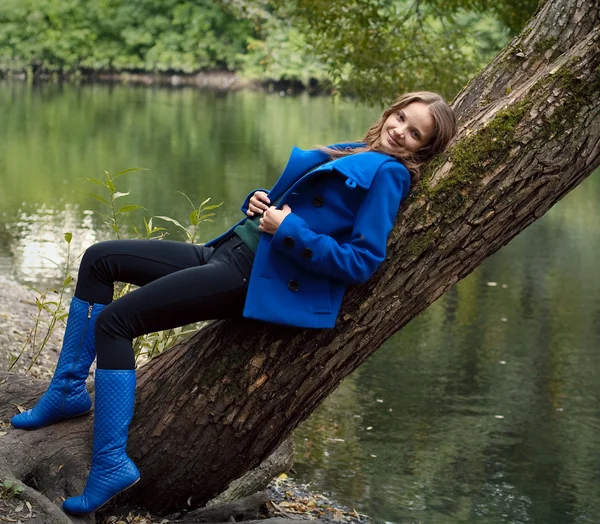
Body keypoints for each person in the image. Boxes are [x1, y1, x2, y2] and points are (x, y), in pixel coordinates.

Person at [10, 91, 456, 514]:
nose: (400, 131)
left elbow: (361, 262)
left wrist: (289, 230)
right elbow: (293, 206)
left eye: (415, 133)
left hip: (249, 275)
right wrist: (259, 204)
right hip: (225, 251)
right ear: (392, 111)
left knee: (114, 323)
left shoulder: (390, 175)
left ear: (421, 150)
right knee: (99, 259)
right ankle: (67, 389)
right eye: (401, 118)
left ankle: (110, 463)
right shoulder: (354, 150)